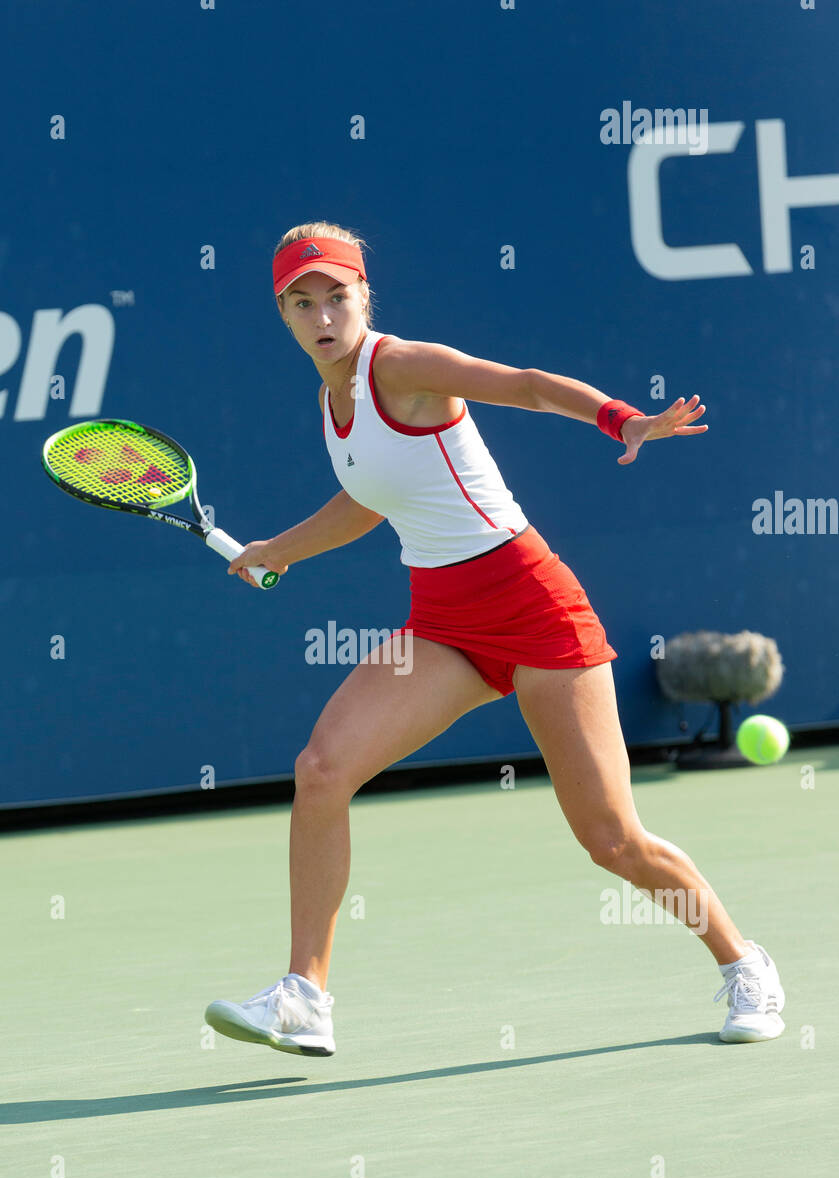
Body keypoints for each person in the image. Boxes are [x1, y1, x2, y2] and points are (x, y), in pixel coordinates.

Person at [204, 221, 785, 1056]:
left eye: (337, 295)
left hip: (533, 607)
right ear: (284, 317)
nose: (323, 314)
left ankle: (742, 962)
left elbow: (526, 384)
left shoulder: (399, 367)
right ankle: (304, 996)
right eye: (303, 303)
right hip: (441, 621)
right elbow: (371, 499)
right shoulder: (332, 402)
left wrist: (620, 419)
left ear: (365, 296)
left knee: (610, 840)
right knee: (322, 770)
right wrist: (278, 552)